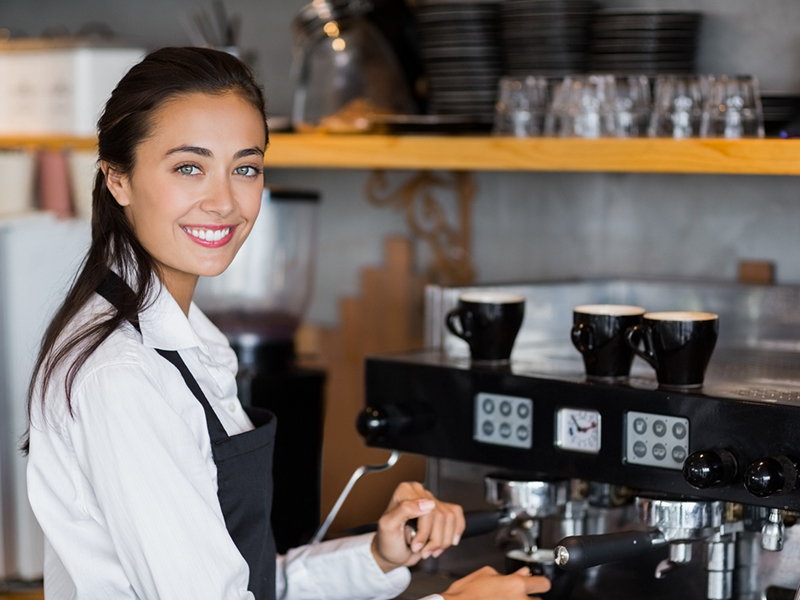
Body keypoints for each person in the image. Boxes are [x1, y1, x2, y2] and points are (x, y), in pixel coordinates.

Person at [24, 47, 551, 600]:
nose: (224, 200)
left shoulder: (188, 342)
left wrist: (375, 555)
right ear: (118, 180)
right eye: (189, 167)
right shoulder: (124, 376)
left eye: (245, 168)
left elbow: (249, 581)